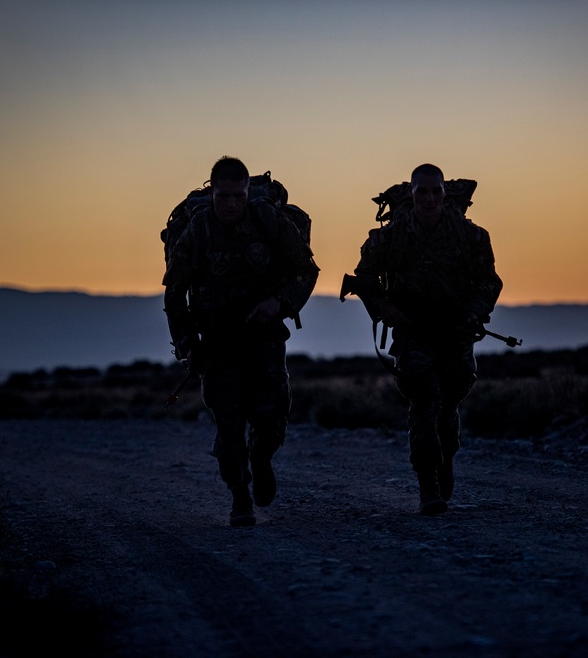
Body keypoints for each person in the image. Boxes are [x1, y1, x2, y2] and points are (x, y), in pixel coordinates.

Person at [163, 156, 319, 526]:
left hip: (264, 338)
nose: (231, 204)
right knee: (228, 425)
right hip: (216, 345)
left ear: (247, 192)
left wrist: (279, 303)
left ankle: (261, 459)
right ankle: (239, 497)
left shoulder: (267, 220)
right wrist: (187, 344)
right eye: (223, 197)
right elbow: (174, 296)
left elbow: (306, 269)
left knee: (272, 417)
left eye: (238, 196)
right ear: (212, 193)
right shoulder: (197, 231)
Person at [352, 163, 503, 515]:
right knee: (424, 401)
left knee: (449, 400)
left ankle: (445, 457)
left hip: (455, 332)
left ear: (444, 193)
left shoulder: (471, 236)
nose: (430, 198)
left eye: (436, 191)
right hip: (412, 332)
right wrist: (383, 307)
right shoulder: (390, 237)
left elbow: (490, 282)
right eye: (423, 192)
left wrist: (474, 311)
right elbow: (363, 279)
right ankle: (427, 486)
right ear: (412, 194)